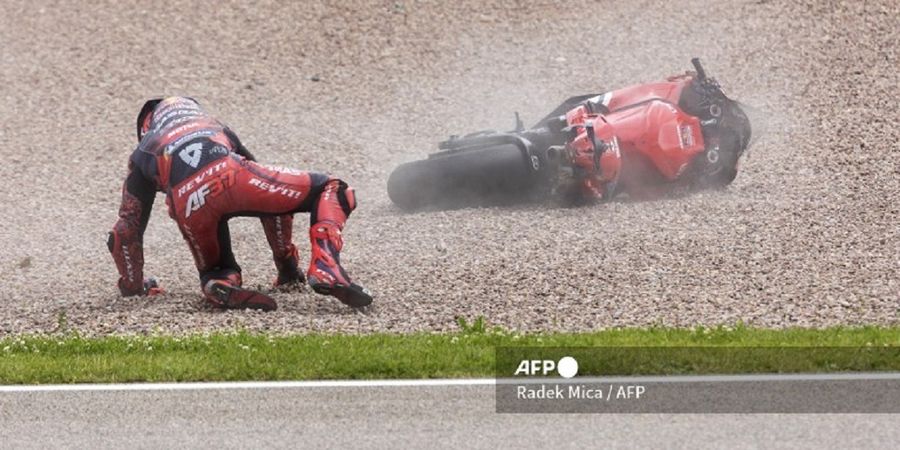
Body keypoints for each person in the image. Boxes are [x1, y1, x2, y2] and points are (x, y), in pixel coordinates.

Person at [108, 97, 372, 311]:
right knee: (333, 188)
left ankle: (219, 281)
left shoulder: (144, 150)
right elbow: (274, 209)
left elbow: (125, 230)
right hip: (230, 173)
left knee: (216, 269)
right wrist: (287, 266)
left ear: (146, 126)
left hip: (186, 203)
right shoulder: (211, 124)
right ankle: (326, 265)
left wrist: (133, 285)